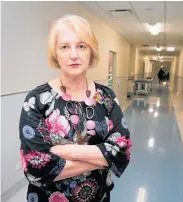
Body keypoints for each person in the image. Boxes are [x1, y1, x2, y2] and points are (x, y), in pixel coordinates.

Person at [19, 14, 132, 202]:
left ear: (91, 51)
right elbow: (35, 165)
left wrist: (59, 151)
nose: (74, 55)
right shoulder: (37, 100)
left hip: (99, 197)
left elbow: (122, 151)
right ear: (55, 53)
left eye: (81, 46)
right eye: (64, 47)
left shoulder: (107, 98)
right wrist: (102, 158)